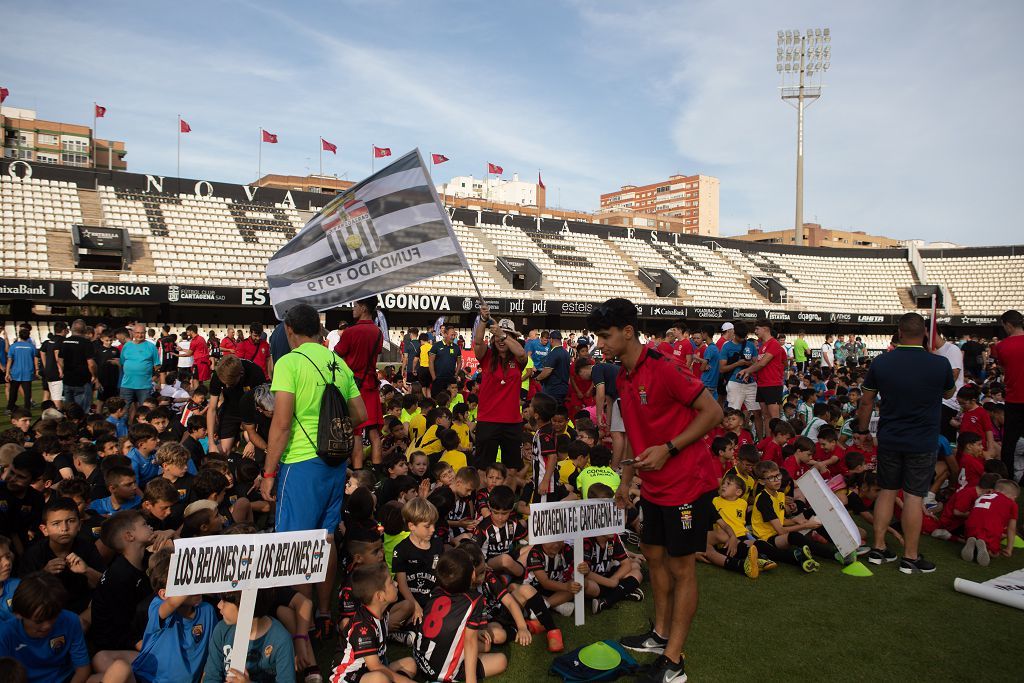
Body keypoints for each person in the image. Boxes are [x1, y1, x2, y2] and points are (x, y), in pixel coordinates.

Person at [587, 298, 722, 683]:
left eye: (605, 335)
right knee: (653, 556)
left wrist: (670, 448)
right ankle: (659, 635)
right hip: (654, 487)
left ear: (627, 332)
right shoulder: (623, 377)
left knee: (682, 568)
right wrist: (624, 484)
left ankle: (673, 662)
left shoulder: (665, 367)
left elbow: (712, 413)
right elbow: (631, 436)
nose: (601, 344)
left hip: (687, 484)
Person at [261, 303, 366, 638]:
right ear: (319, 330)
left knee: (294, 544)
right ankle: (324, 612)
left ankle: (301, 625)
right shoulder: (336, 361)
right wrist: (330, 427)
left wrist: (267, 473)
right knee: (326, 537)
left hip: (301, 461)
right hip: (335, 461)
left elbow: (281, 424)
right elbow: (360, 413)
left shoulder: (289, 363)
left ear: (289, 330)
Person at [857, 312, 955, 574]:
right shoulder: (939, 363)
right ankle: (910, 557)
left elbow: (866, 401)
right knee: (914, 496)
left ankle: (878, 549)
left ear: (899, 333)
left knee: (887, 491)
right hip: (922, 440)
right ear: (924, 333)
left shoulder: (882, 362)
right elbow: (949, 392)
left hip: (890, 437)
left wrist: (863, 431)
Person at [0, 572, 90, 683]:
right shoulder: (5, 634)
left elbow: (82, 669)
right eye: (39, 621)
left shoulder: (71, 621)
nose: (47, 625)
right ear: (18, 614)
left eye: (54, 617)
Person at [471, 308, 527, 471]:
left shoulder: (518, 360)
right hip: (488, 420)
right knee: (483, 467)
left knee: (512, 468)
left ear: (513, 338)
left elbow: (522, 353)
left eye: (507, 336)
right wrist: (483, 319)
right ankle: (482, 496)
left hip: (512, 422)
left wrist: (503, 334)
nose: (502, 340)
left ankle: (506, 496)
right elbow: (479, 343)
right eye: (498, 336)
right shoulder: (487, 357)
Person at [335, 297, 385, 469]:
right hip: (370, 385)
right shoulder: (378, 332)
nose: (352, 309)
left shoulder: (351, 332)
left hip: (354, 385)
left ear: (363, 308)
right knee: (374, 432)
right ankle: (377, 470)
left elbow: (338, 354)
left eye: (355, 305)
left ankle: (357, 471)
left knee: (356, 431)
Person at [207, 355, 266, 459]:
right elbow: (212, 408)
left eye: (230, 383)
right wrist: (211, 442)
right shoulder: (219, 373)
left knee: (256, 450)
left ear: (241, 374)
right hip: (230, 409)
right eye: (224, 384)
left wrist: (253, 442)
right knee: (222, 451)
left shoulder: (255, 373)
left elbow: (261, 409)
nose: (227, 387)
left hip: (251, 411)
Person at [736, 320, 785, 439]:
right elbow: (758, 364)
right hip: (762, 384)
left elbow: (762, 364)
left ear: (765, 329)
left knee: (774, 417)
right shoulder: (762, 346)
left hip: (772, 384)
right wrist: (750, 373)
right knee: (765, 416)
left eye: (757, 329)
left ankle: (777, 442)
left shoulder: (773, 343)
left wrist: (746, 371)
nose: (755, 331)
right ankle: (768, 441)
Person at [992, 310, 1024, 482]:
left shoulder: (1002, 346)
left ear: (1008, 325)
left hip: (1014, 400)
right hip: (1015, 398)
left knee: (1009, 443)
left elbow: (1004, 369)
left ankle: (1008, 479)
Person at [119, 323, 160, 422]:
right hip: (127, 385)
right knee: (123, 410)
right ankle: (122, 432)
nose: (139, 335)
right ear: (132, 333)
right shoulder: (127, 346)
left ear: (145, 333)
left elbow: (157, 365)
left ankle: (144, 432)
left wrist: (153, 379)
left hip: (144, 386)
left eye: (142, 333)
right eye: (137, 333)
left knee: (145, 412)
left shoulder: (151, 347)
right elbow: (122, 362)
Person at [57, 319, 99, 413]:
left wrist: (63, 371)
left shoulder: (64, 342)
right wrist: (94, 375)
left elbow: (60, 360)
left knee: (69, 411)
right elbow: (91, 364)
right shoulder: (86, 343)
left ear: (71, 329)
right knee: (82, 411)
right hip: (82, 381)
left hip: (68, 380)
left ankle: (70, 427)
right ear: (84, 330)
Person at [931, 328, 964, 444]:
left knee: (946, 442)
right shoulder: (930, 352)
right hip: (937, 401)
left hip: (948, 402)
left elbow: (953, 375)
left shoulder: (952, 349)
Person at [5, 328, 38, 413]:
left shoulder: (14, 346)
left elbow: (9, 360)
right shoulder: (31, 347)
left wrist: (7, 373)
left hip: (15, 372)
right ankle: (27, 409)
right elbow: (35, 359)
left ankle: (10, 408)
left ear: (19, 336)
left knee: (13, 391)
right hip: (28, 372)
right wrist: (36, 370)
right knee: (27, 393)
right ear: (28, 336)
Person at [535, 331, 570, 406]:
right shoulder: (565, 352)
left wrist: (537, 379)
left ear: (551, 340)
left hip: (553, 389)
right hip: (563, 388)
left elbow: (547, 371)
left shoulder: (554, 353)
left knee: (550, 411)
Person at [39, 321, 67, 410]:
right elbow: (57, 354)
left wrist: (45, 365)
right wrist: (60, 369)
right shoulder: (62, 341)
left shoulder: (49, 341)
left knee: (54, 395)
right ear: (64, 330)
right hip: (57, 373)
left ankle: (52, 415)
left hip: (49, 372)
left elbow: (42, 352)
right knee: (57, 399)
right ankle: (56, 418)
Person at [428, 324, 462, 398]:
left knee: (451, 399)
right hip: (438, 378)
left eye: (454, 335)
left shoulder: (456, 348)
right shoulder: (436, 346)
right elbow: (430, 362)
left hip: (450, 379)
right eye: (451, 335)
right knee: (436, 399)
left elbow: (459, 362)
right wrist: (434, 377)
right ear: (445, 334)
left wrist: (456, 374)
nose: (453, 337)